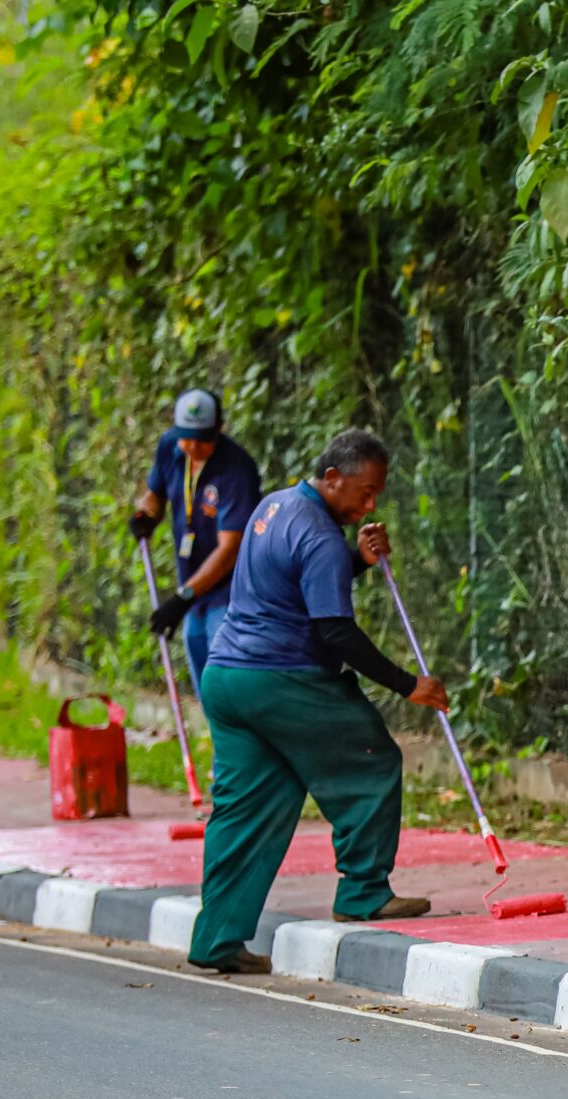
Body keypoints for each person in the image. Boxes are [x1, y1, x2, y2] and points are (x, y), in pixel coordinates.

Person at [184, 428, 448, 975]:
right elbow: (336, 633)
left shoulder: (273, 507)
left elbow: (296, 579)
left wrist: (359, 561)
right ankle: (364, 891)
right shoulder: (321, 535)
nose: (370, 505)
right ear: (332, 478)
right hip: (281, 679)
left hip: (226, 676)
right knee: (371, 759)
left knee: (247, 806)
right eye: (366, 491)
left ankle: (215, 938)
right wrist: (409, 685)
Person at [129, 387, 262, 693]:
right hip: (194, 592)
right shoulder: (170, 447)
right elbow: (155, 495)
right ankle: (213, 727)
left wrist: (182, 598)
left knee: (225, 680)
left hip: (231, 595)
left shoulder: (237, 470)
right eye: (185, 437)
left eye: (201, 439)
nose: (191, 446)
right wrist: (147, 516)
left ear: (218, 429)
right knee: (203, 681)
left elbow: (230, 550)